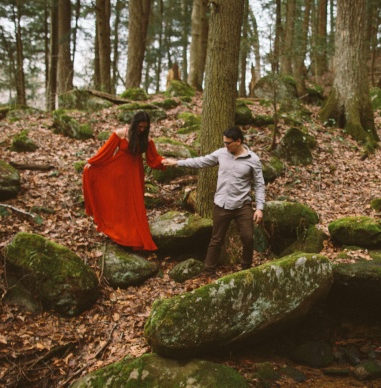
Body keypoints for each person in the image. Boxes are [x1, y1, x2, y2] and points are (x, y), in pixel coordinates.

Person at [162, 126, 265, 274]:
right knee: (216, 239)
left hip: (242, 205)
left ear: (238, 141)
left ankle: (246, 269)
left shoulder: (253, 160)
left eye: (228, 143)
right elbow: (200, 162)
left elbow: (260, 184)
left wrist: (260, 207)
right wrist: (177, 162)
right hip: (222, 204)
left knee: (248, 238)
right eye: (224, 142)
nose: (225, 145)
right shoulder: (221, 154)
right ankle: (208, 271)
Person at [82, 111, 165, 251]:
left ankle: (133, 239)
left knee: (133, 204)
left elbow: (154, 159)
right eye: (140, 127)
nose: (142, 130)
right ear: (134, 124)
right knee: (119, 204)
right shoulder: (120, 134)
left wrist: (166, 162)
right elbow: (105, 151)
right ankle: (119, 235)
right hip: (117, 173)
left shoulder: (147, 139)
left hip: (135, 175)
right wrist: (92, 163)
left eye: (145, 127)